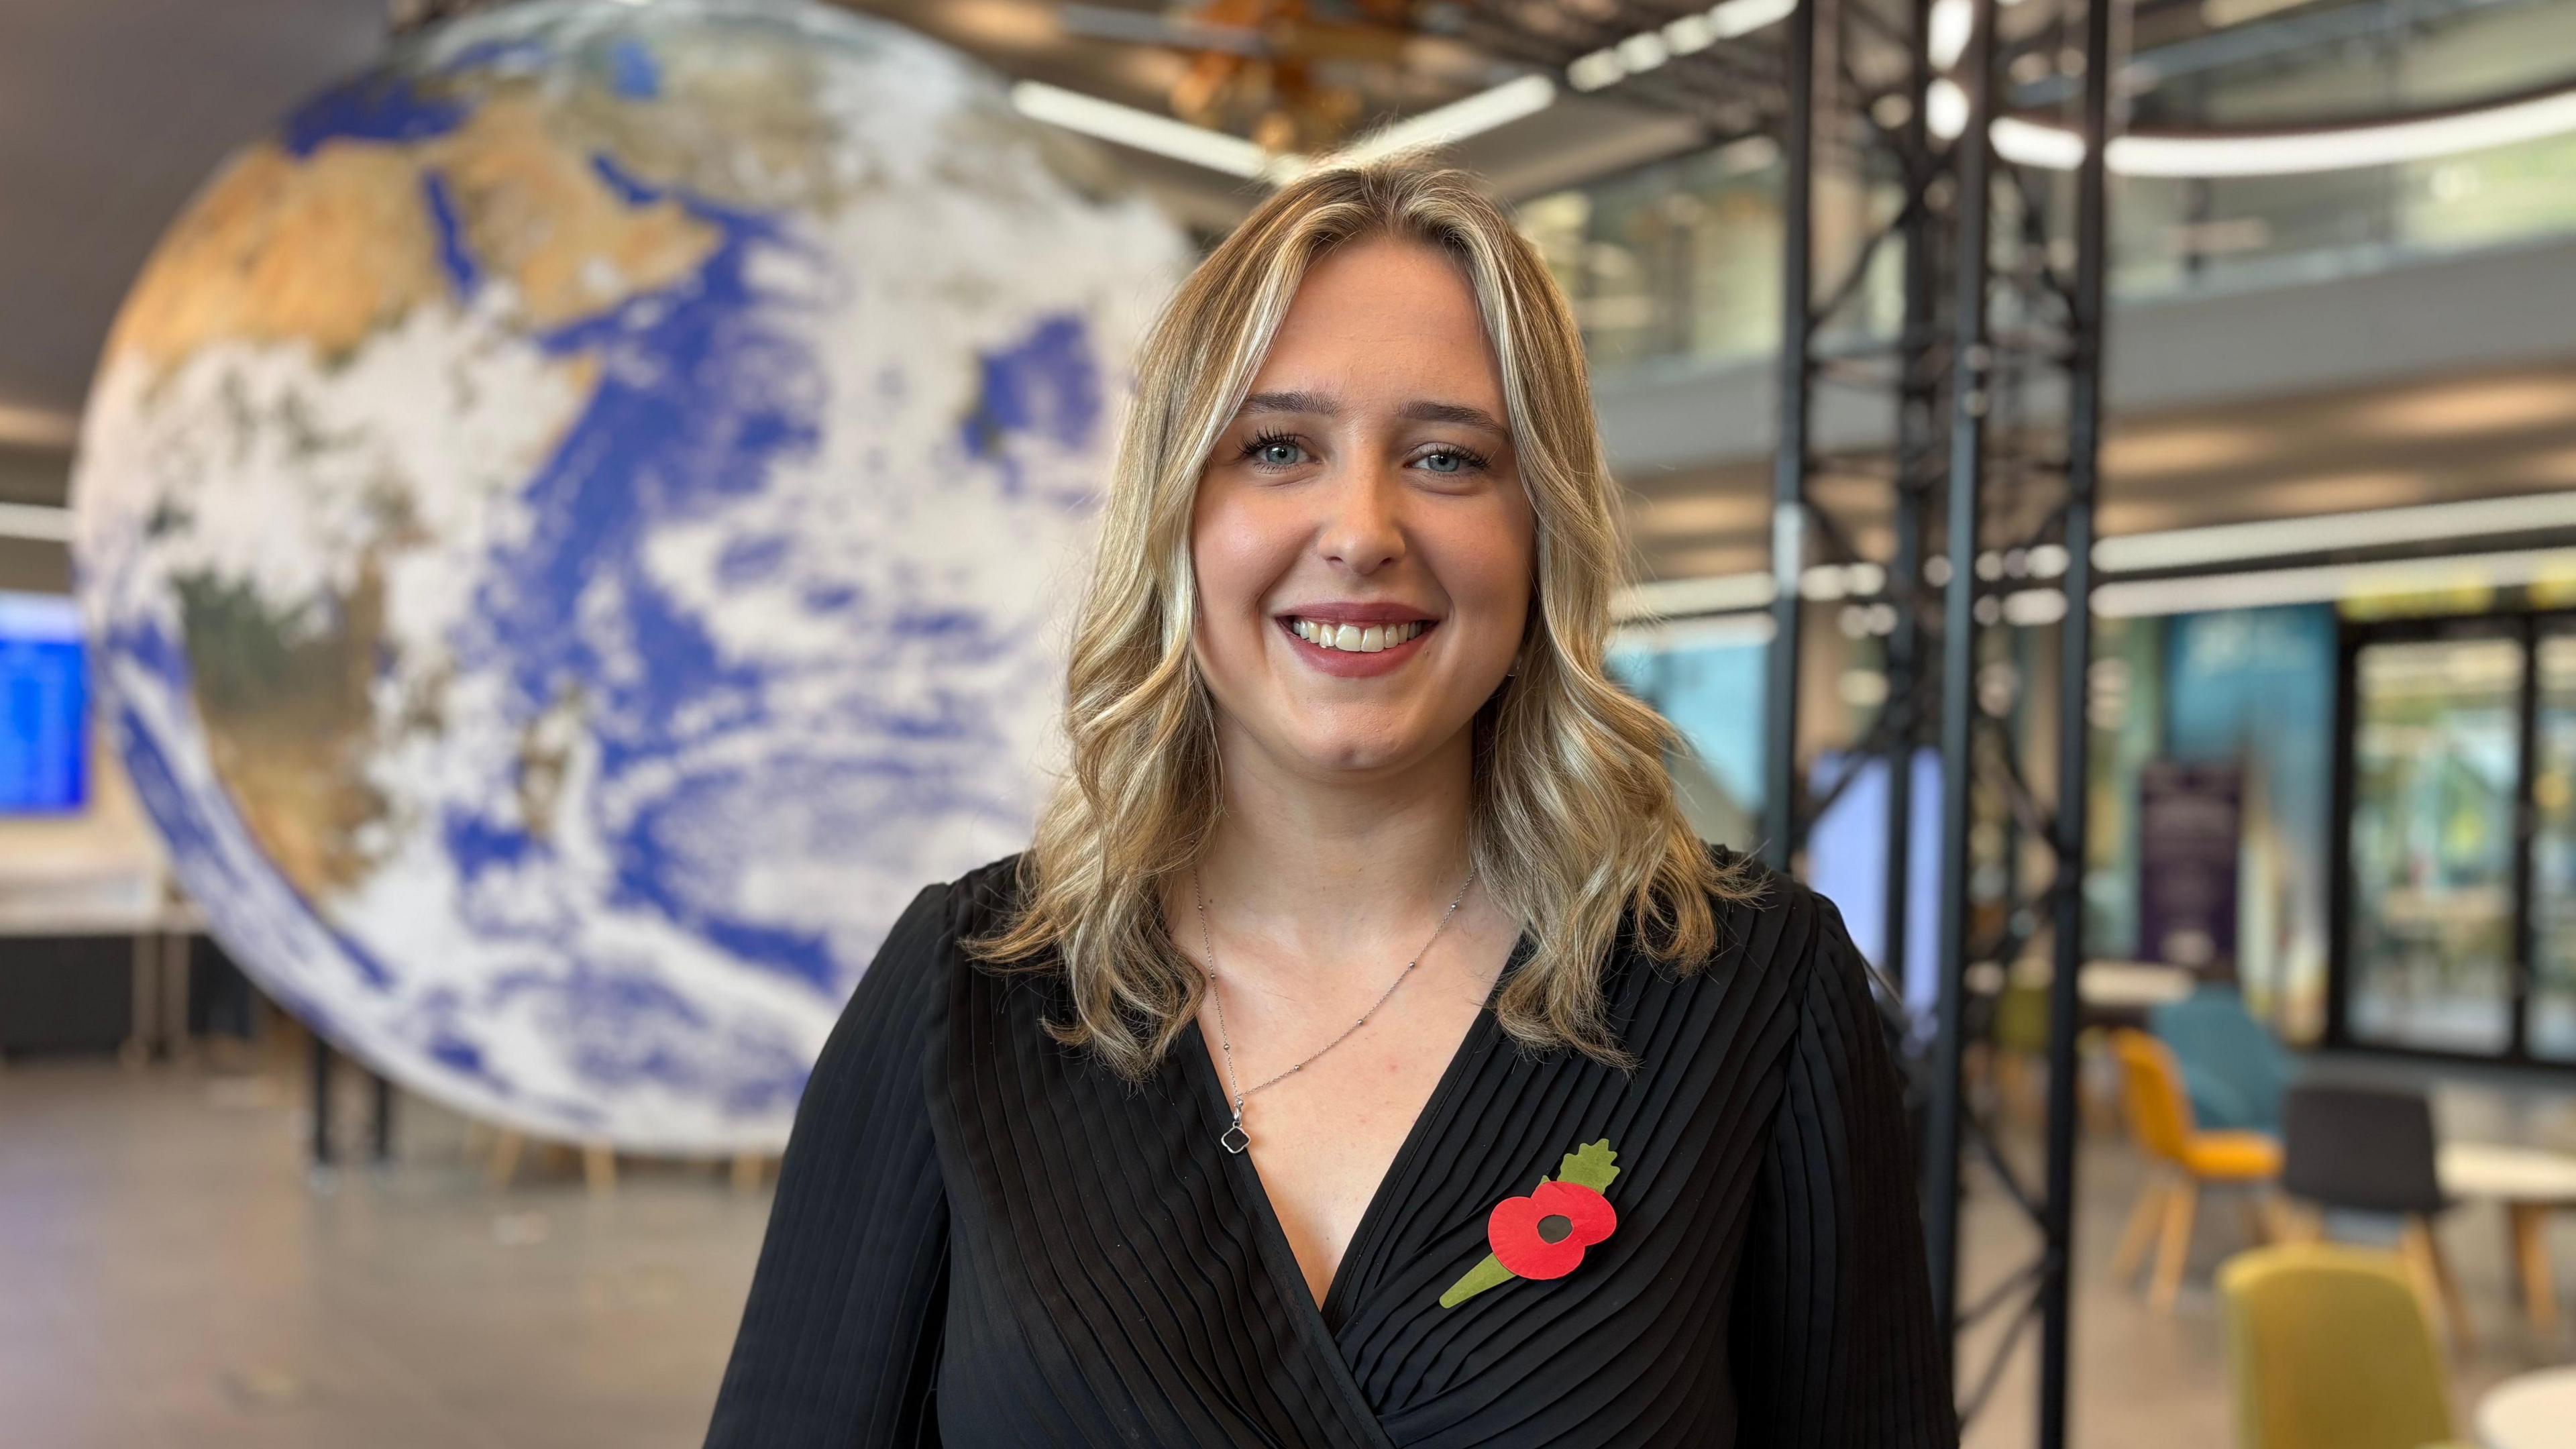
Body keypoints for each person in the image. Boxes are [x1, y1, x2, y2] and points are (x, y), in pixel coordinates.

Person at [704, 154, 1954, 1448]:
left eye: (1449, 457)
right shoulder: (970, 990)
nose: (1361, 529)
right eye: (1279, 447)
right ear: (1177, 521)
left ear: (1543, 531)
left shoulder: (1752, 987)